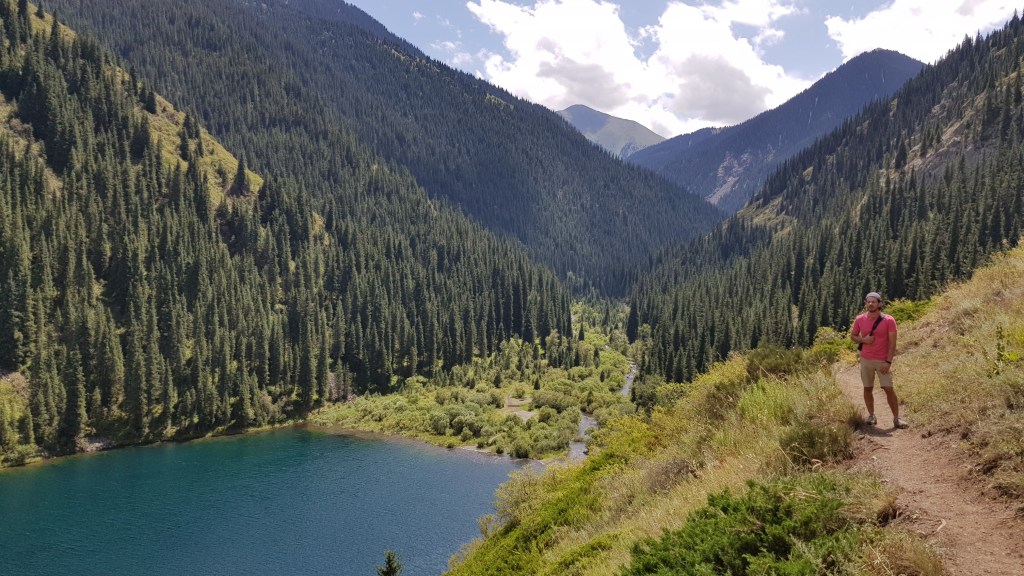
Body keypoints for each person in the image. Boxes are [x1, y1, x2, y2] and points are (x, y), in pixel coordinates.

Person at [850, 292, 908, 429]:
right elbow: (853, 336)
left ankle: (896, 418)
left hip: (882, 360)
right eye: (868, 301)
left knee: (888, 388)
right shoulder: (859, 319)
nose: (870, 304)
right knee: (867, 388)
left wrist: (888, 362)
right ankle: (871, 415)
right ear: (865, 303)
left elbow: (892, 344)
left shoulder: (889, 320)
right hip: (866, 359)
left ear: (880, 304)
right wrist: (863, 340)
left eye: (873, 301)